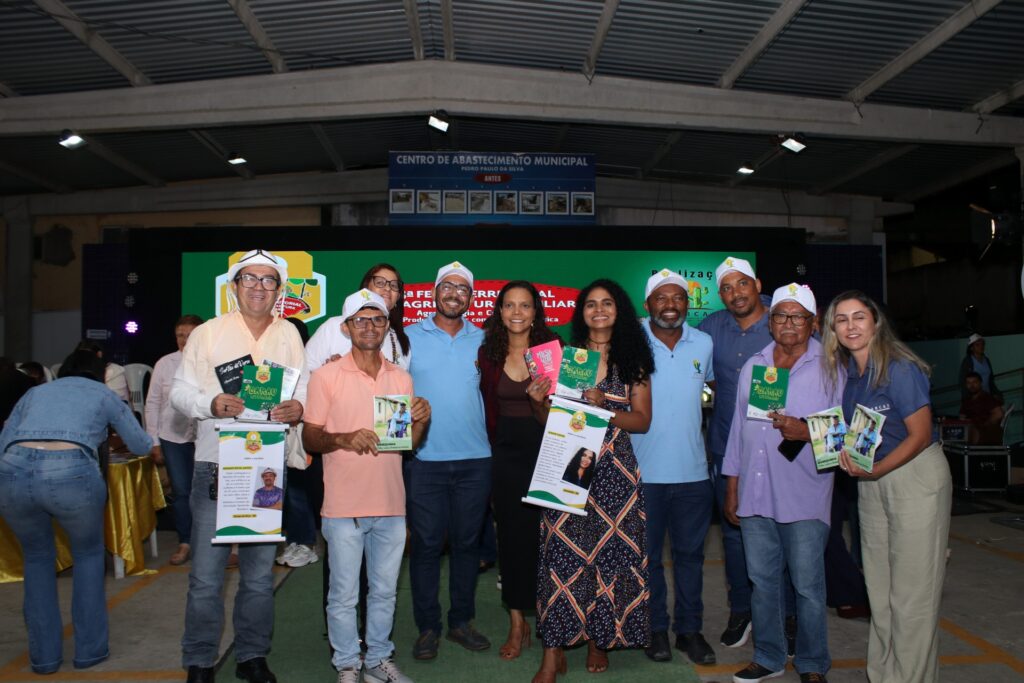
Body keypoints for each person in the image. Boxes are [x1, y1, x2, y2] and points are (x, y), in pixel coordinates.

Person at [171, 249, 308, 683]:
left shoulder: (289, 334)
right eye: (250, 279)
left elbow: (303, 388)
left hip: (266, 468)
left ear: (279, 290)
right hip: (217, 464)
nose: (259, 288)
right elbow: (179, 392)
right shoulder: (208, 333)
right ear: (234, 286)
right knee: (206, 577)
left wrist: (298, 408)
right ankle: (199, 662)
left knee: (259, 576)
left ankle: (251, 656)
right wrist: (209, 403)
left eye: (268, 281)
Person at [823, 290, 952, 683]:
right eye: (841, 319)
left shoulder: (899, 368)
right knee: (880, 592)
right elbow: (860, 434)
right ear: (833, 330)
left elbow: (920, 434)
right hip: (872, 481)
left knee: (912, 596)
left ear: (876, 322)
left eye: (859, 317)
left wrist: (877, 470)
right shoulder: (852, 377)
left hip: (913, 476)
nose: (851, 326)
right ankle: (883, 675)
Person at [303, 288, 431, 683]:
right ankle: (347, 664)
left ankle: (377, 660)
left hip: (390, 503)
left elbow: (406, 444)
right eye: (361, 320)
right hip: (343, 506)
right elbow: (310, 438)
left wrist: (422, 420)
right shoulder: (326, 376)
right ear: (346, 328)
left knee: (385, 591)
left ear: (387, 325)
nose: (370, 326)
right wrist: (343, 438)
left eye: (377, 319)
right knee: (343, 594)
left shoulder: (400, 377)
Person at [0, 349, 155, 674]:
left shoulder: (35, 392)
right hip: (71, 472)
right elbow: (142, 444)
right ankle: (89, 652)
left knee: (36, 559)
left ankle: (44, 659)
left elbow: (4, 441)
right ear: (101, 375)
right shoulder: (103, 393)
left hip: (12, 472)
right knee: (88, 556)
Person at [530, 278, 653, 682]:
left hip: (616, 475)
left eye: (607, 303)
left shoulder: (632, 361)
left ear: (619, 311)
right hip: (568, 466)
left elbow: (642, 420)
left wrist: (606, 408)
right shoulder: (567, 359)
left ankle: (600, 639)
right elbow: (550, 421)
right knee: (560, 555)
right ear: (581, 313)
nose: (599, 310)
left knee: (609, 556)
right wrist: (536, 401)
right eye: (590, 304)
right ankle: (553, 652)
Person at [723, 283, 841, 683]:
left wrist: (806, 431)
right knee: (762, 583)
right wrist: (732, 486)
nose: (788, 324)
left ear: (813, 322)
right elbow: (739, 429)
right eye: (780, 316)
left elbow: (848, 433)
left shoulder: (832, 366)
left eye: (797, 317)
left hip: (804, 495)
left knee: (808, 587)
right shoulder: (755, 365)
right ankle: (769, 657)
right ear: (770, 322)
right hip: (755, 494)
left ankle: (812, 663)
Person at [405, 261, 492, 660]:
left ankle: (461, 621)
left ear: (471, 297)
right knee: (425, 546)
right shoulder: (407, 338)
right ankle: (428, 627)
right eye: (447, 286)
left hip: (477, 459)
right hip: (425, 459)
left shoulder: (486, 340)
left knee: (467, 545)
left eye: (463, 289)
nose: (454, 294)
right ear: (434, 292)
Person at [631, 269, 716, 665]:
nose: (670, 305)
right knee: (646, 559)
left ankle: (689, 631)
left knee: (690, 558)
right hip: (642, 474)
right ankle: (655, 630)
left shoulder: (705, 343)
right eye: (661, 298)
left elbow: (710, 391)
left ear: (688, 304)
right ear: (647, 304)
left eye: (678, 297)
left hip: (693, 474)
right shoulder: (629, 340)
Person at [478, 281, 560, 660]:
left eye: (525, 305)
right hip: (506, 456)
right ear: (499, 311)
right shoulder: (488, 354)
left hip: (549, 452)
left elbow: (565, 411)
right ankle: (516, 622)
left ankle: (553, 621)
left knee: (551, 541)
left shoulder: (552, 351)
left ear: (535, 312)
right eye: (509, 305)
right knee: (511, 541)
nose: (516, 312)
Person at [697, 256, 773, 648]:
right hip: (727, 446)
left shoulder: (783, 320)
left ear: (757, 285)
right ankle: (741, 610)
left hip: (777, 449)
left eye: (742, 284)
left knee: (781, 532)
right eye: (726, 288)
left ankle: (783, 615)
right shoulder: (712, 327)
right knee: (733, 534)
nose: (735, 293)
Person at [146, 314, 203, 566]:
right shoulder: (165, 363)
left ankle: (207, 541)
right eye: (180, 335)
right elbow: (152, 403)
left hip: (205, 437)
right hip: (172, 436)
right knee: (181, 491)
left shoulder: (211, 362)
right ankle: (185, 541)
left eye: (190, 335)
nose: (184, 340)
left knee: (207, 490)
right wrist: (154, 441)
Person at [305, 263, 411, 371]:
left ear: (398, 297)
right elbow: (305, 370)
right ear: (366, 289)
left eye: (394, 285)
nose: (388, 288)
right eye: (380, 283)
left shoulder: (400, 338)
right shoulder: (334, 326)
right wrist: (328, 373)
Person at [959, 371, 1004, 445]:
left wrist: (985, 425)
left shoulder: (987, 398)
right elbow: (962, 417)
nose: (972, 385)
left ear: (980, 383)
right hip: (970, 431)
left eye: (974, 382)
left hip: (986, 433)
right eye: (968, 383)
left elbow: (998, 414)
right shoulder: (966, 401)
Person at [958, 333, 1001, 402]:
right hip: (974, 398)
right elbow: (963, 382)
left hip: (987, 395)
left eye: (982, 344)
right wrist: (968, 399)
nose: (981, 346)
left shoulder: (986, 360)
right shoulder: (967, 362)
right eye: (977, 345)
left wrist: (995, 393)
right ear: (971, 348)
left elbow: (990, 380)